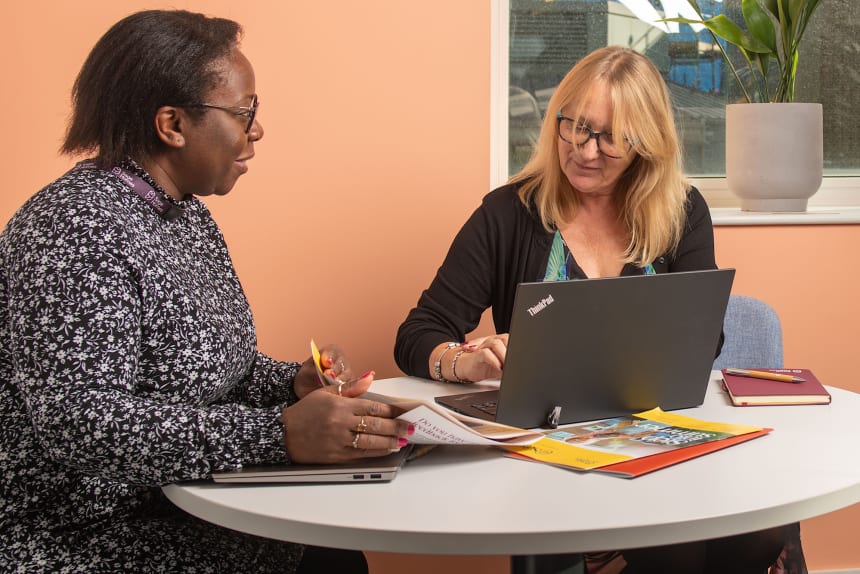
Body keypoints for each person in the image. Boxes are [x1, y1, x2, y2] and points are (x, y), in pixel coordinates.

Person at [0, 10, 413, 573]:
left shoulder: (184, 216)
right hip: (78, 533)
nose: (257, 130)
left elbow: (209, 367)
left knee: (333, 558)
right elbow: (83, 424)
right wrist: (278, 434)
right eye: (244, 113)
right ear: (171, 124)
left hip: (167, 501)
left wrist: (290, 381)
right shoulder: (73, 228)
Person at [394, 46, 787, 573]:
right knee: (680, 547)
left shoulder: (682, 212)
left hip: (655, 433)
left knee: (763, 530)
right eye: (574, 127)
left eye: (610, 137)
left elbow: (702, 340)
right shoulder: (509, 214)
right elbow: (418, 333)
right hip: (551, 455)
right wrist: (464, 361)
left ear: (645, 144)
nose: (584, 149)